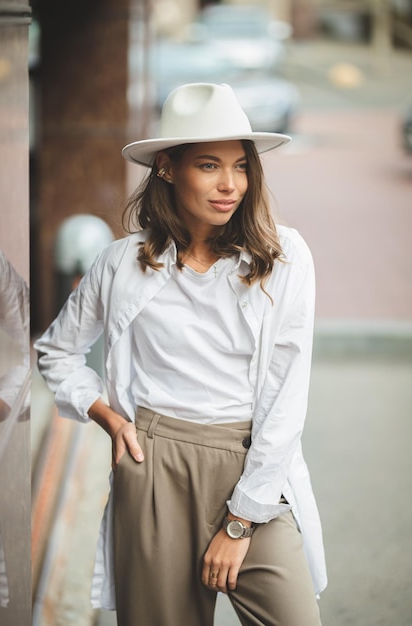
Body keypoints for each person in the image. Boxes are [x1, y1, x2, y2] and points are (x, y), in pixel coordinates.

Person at [35, 82, 327, 626]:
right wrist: (105, 416)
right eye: (210, 165)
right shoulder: (121, 264)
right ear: (168, 168)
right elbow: (56, 352)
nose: (230, 185)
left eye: (241, 167)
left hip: (253, 467)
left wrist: (240, 522)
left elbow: (288, 395)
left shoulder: (284, 259)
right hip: (153, 469)